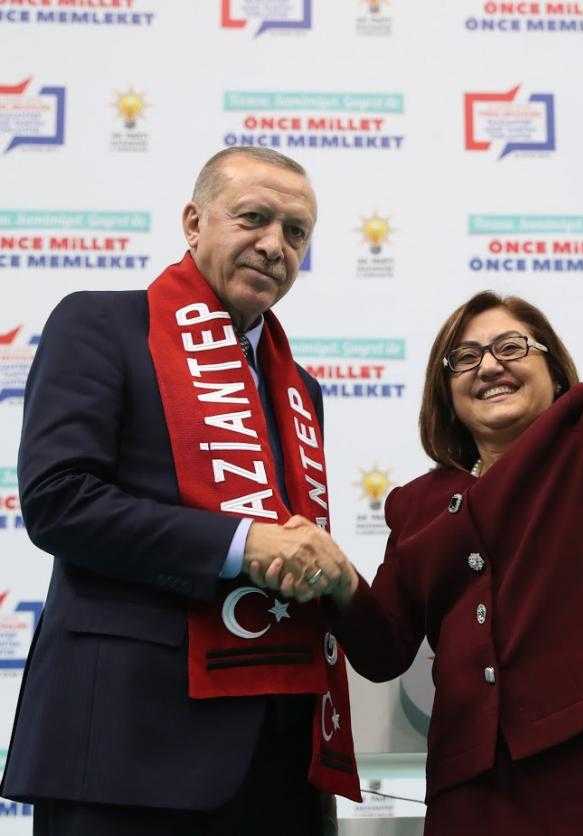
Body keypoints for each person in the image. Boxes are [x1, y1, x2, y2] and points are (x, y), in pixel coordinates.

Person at [256, 54, 583, 834]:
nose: (488, 365)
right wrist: (336, 576)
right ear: (445, 394)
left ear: (553, 369)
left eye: (512, 347)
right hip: (469, 787)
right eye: (464, 357)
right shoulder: (416, 504)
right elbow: (383, 648)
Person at [1, 147, 361, 836]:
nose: (275, 245)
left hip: (279, 759)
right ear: (193, 223)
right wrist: (242, 544)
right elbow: (59, 500)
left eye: (295, 232)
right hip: (124, 748)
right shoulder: (100, 325)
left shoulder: (300, 388)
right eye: (253, 218)